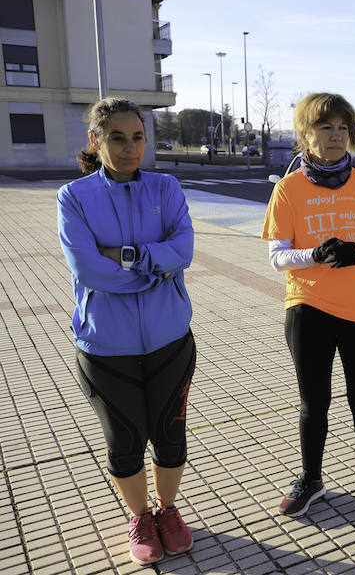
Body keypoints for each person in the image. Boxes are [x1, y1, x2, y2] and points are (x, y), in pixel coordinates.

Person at [57, 97, 196, 566]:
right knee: (124, 439)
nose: (131, 147)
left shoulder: (167, 187)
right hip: (105, 345)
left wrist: (126, 255)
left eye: (138, 137)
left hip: (170, 338)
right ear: (96, 142)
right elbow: (89, 269)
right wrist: (154, 265)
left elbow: (184, 249)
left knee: (170, 435)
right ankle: (140, 515)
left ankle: (169, 511)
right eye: (117, 137)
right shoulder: (74, 198)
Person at [262, 92, 355, 524]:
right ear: (306, 134)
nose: (337, 136)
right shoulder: (288, 189)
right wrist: (315, 255)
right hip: (309, 308)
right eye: (327, 128)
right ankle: (310, 479)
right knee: (313, 402)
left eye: (343, 128)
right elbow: (276, 255)